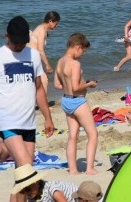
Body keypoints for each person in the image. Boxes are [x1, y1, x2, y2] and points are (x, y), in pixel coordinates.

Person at [0, 16, 55, 174]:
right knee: (26, 167)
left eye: (22, 42)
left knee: (24, 172)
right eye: (16, 41)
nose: (19, 45)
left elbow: (39, 89)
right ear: (7, 36)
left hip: (29, 122)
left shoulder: (33, 55)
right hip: (7, 122)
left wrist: (48, 118)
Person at [54, 33, 98, 175]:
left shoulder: (60, 61)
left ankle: (72, 169)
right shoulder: (75, 63)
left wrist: (69, 86)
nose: (81, 55)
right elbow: (75, 87)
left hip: (66, 100)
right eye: (83, 51)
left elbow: (56, 84)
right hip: (77, 101)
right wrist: (89, 84)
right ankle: (90, 168)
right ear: (78, 47)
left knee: (73, 136)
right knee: (92, 134)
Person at [27, 11, 60, 96]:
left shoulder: (42, 29)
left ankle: (38, 102)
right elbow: (40, 50)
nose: (57, 26)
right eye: (56, 24)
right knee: (44, 80)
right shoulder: (42, 30)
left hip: (31, 58)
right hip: (30, 59)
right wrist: (47, 65)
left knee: (39, 81)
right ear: (50, 21)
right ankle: (43, 105)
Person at [12, 166, 79, 202]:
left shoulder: (52, 189)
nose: (26, 193)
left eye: (28, 189)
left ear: (37, 182)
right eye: (22, 192)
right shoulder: (32, 196)